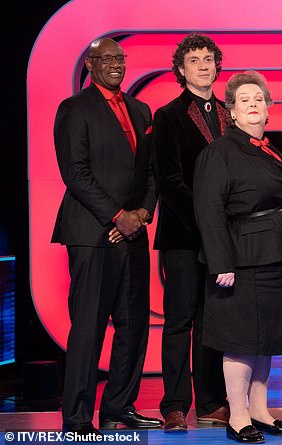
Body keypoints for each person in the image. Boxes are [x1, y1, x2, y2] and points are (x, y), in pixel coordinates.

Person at [193, 71, 282, 444]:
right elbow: (208, 209)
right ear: (231, 111)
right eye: (244, 100)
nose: (253, 105)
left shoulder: (270, 149)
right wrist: (221, 262)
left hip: (280, 255)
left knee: (267, 338)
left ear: (268, 107)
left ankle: (259, 411)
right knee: (242, 339)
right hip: (244, 259)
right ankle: (238, 416)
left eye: (258, 99)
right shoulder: (220, 151)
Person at [52, 38, 163, 434]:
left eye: (120, 58)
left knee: (132, 326)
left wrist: (141, 214)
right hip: (92, 233)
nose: (115, 64)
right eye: (107, 58)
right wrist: (117, 217)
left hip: (132, 233)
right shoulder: (74, 108)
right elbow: (75, 173)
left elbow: (150, 173)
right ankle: (78, 418)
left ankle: (119, 408)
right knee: (89, 326)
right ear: (90, 64)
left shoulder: (140, 108)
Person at [152, 33, 231, 432]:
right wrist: (207, 224)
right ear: (181, 69)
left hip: (223, 241)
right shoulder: (167, 115)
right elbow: (169, 182)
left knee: (212, 322)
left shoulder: (230, 113)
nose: (202, 65)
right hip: (184, 237)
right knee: (180, 320)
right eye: (193, 60)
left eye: (208, 58)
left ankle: (212, 402)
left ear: (217, 65)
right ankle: (175, 406)